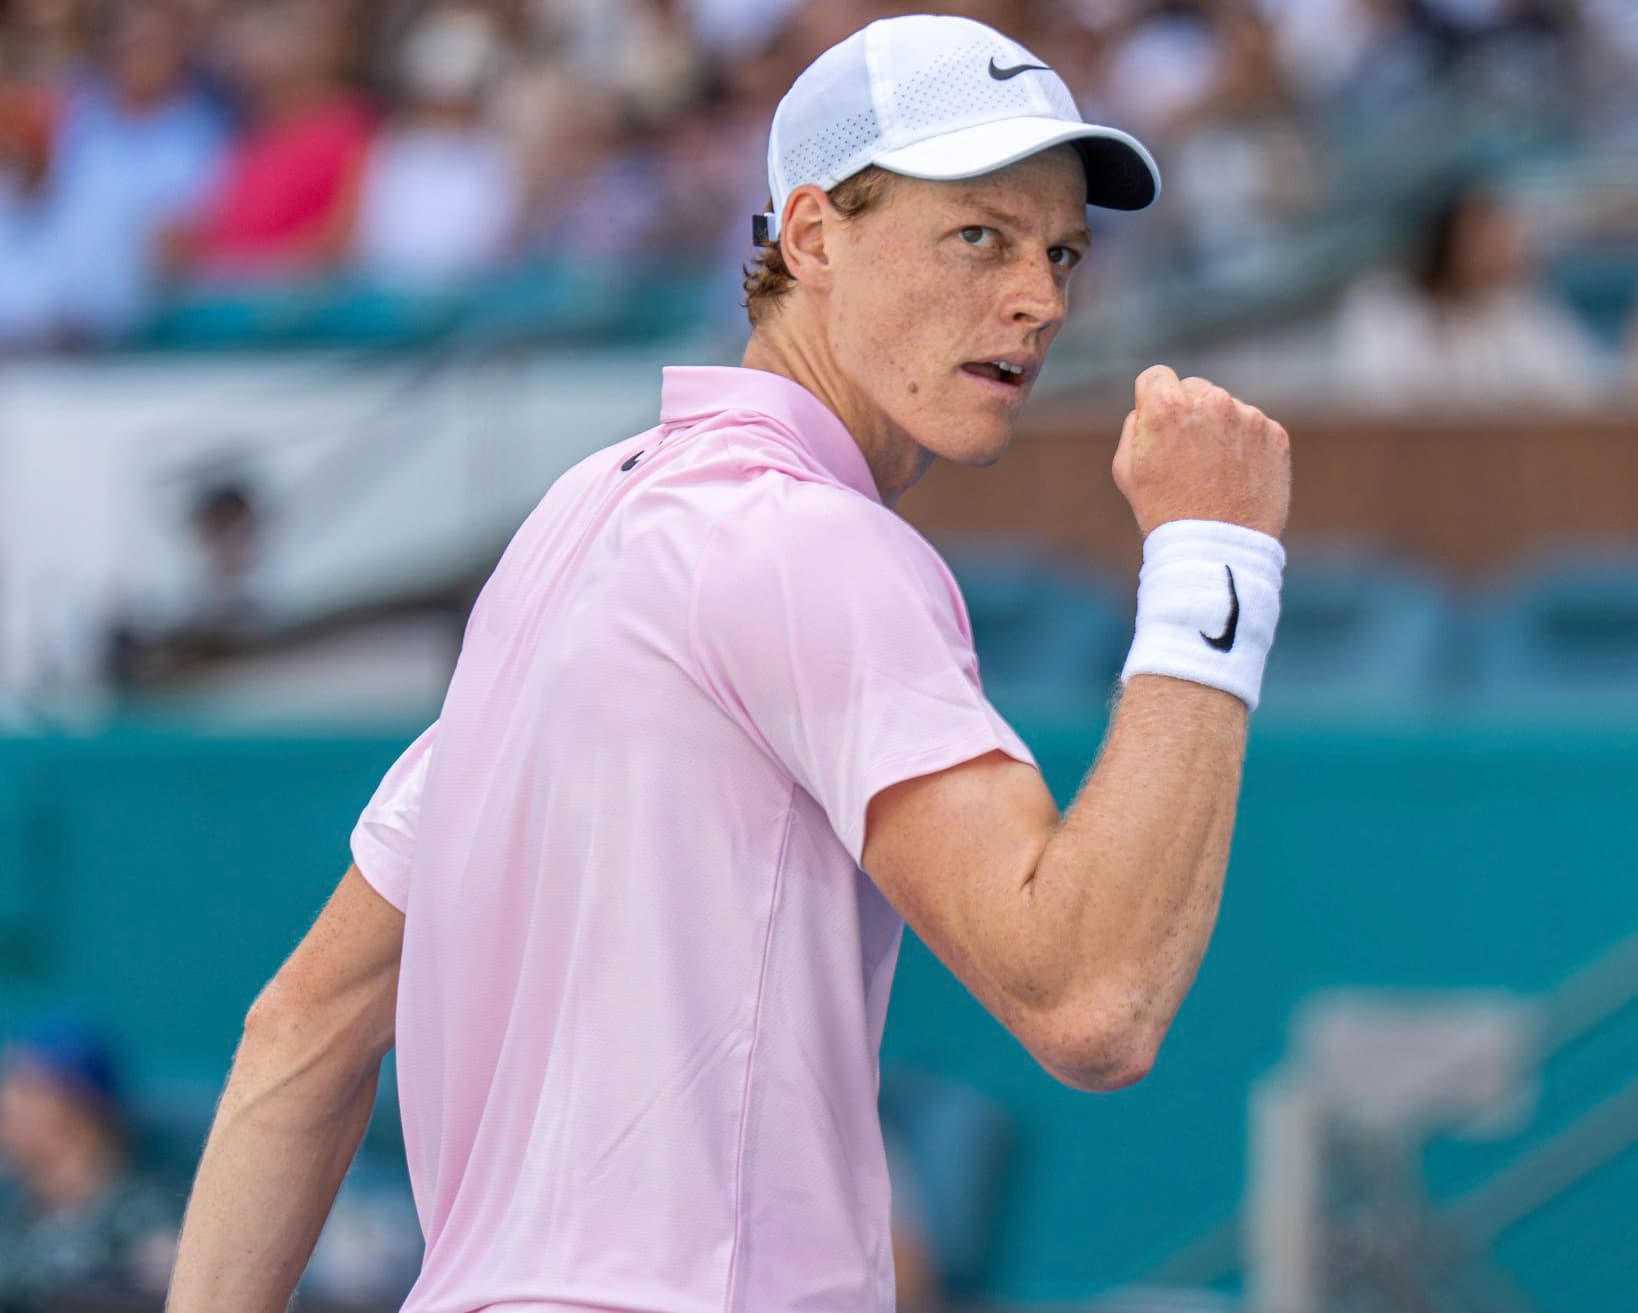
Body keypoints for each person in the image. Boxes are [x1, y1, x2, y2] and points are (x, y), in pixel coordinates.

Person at [166, 14, 1291, 1313]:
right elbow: (1092, 995)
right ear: (810, 239)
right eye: (976, 235)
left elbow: (297, 1032)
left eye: (1059, 251)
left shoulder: (575, 533)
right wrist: (1215, 559)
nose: (1037, 295)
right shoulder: (811, 547)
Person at [0, 1015, 179, 1308]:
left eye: (24, 1090)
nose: (6, 1109)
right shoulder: (15, 1222)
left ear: (76, 1108)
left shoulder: (145, 1216)